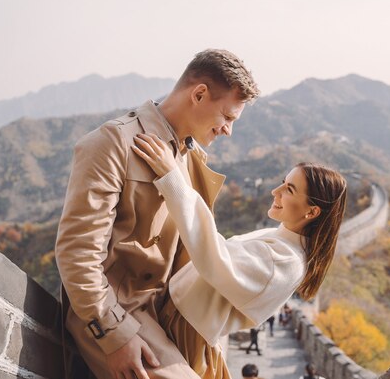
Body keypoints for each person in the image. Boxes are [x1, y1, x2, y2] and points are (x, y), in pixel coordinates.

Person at [55, 49, 259, 379]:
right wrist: (114, 336)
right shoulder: (114, 142)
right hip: (119, 314)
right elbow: (77, 254)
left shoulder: (191, 159)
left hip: (170, 321)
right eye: (228, 117)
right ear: (199, 94)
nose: (228, 130)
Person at [133, 134, 347, 379]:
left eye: (289, 189)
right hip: (177, 317)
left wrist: (173, 179)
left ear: (312, 211)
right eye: (282, 182)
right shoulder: (281, 238)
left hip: (184, 333)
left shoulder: (285, 261)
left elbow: (214, 256)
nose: (274, 191)